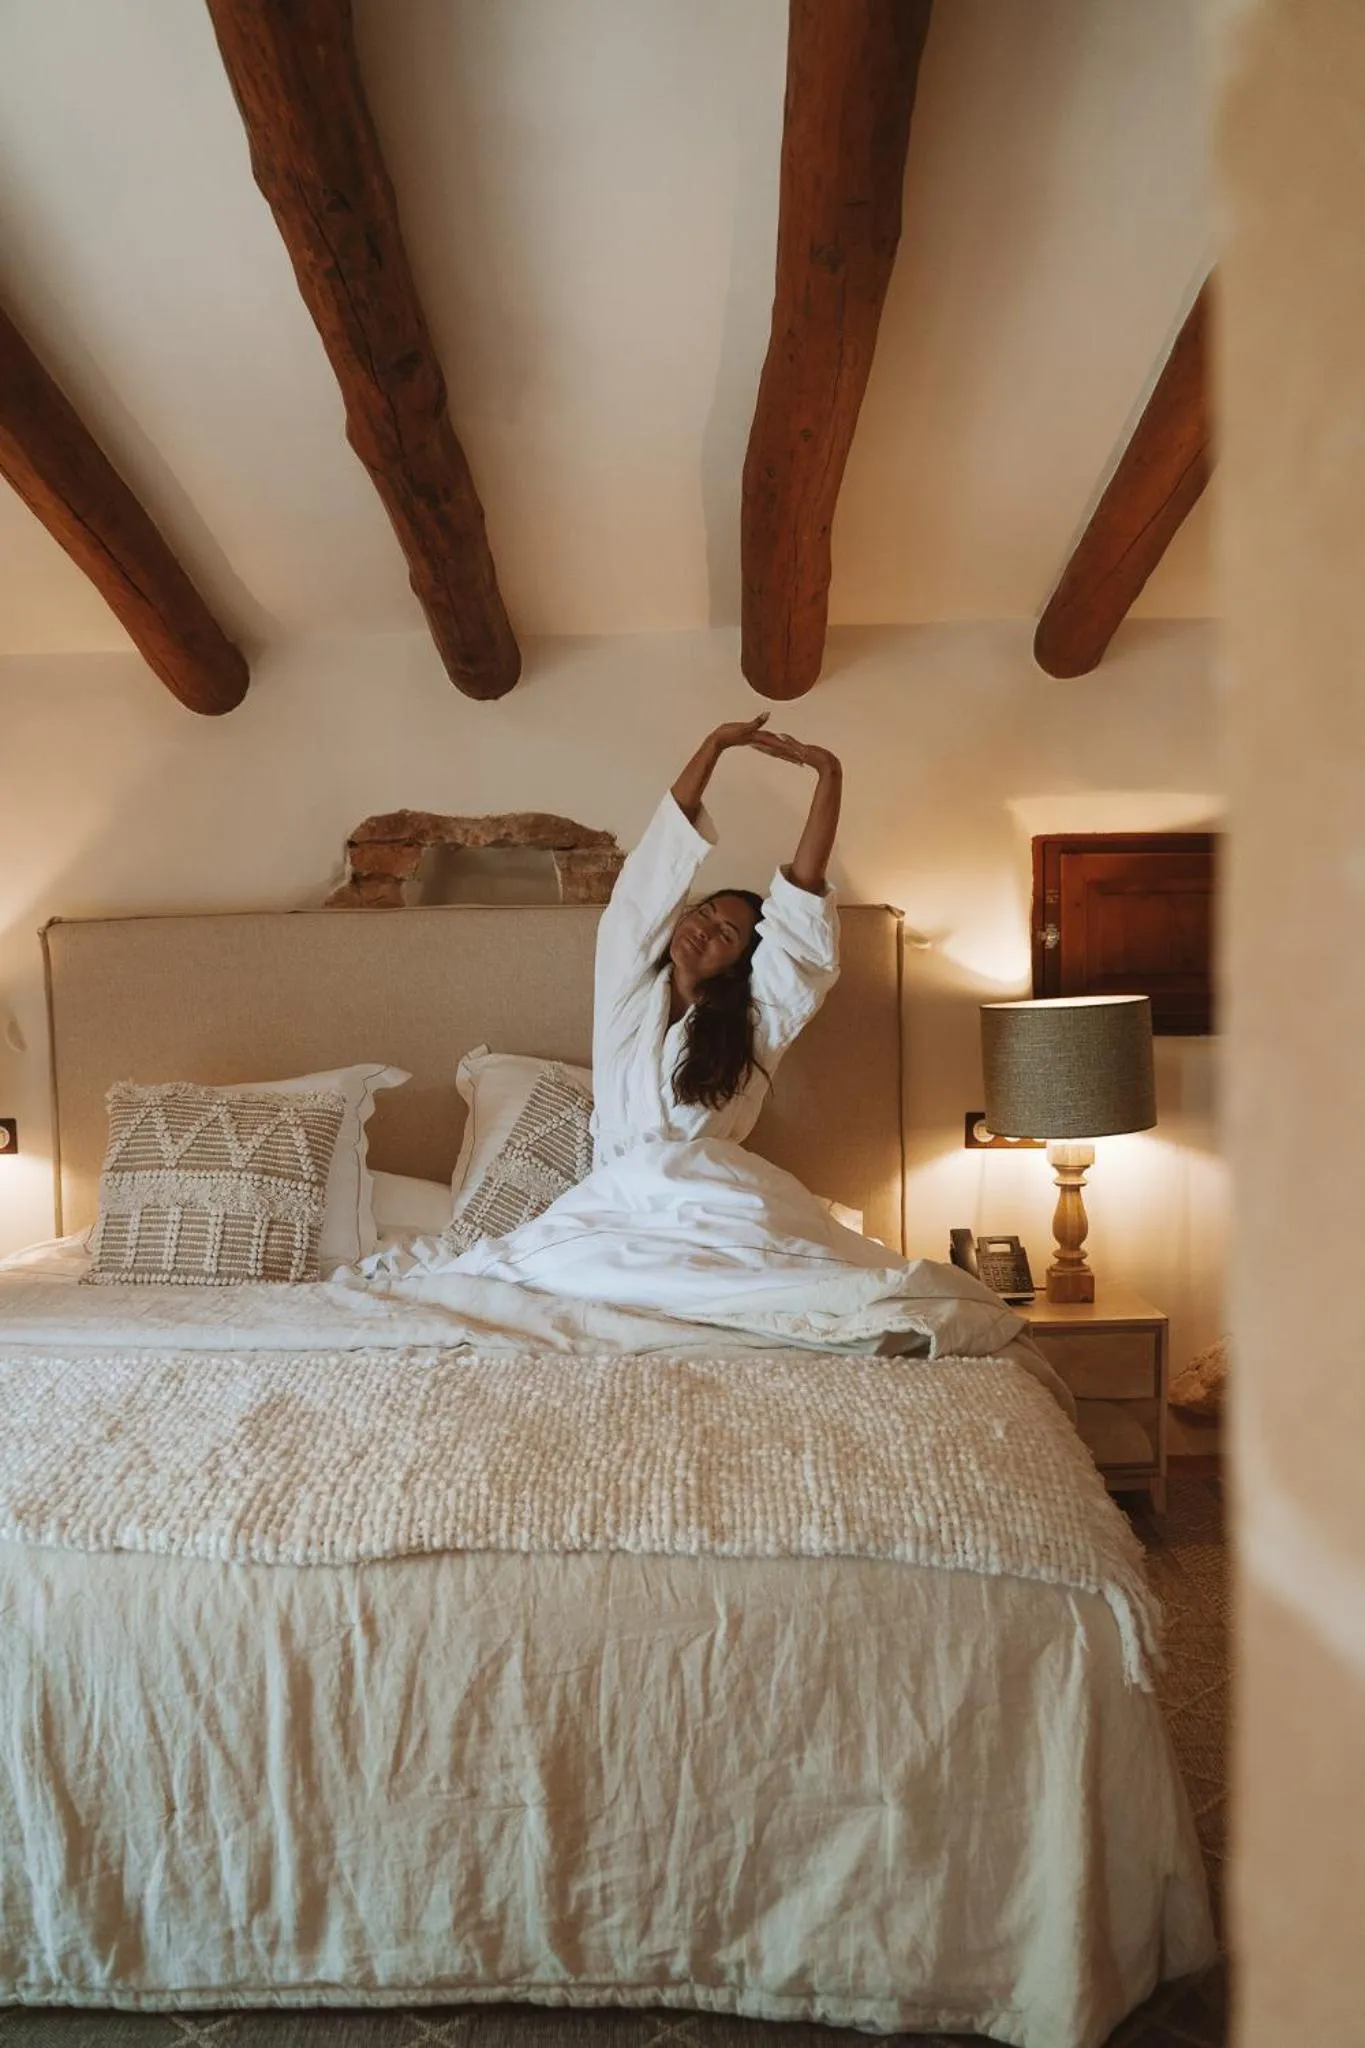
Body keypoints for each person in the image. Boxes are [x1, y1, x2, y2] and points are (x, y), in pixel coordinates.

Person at [590, 713, 843, 1165]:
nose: (703, 930)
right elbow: (646, 884)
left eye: (726, 933)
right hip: (611, 1193)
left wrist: (830, 775)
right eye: (704, 913)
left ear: (739, 964)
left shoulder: (753, 1024)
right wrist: (714, 745)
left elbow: (800, 919)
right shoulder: (624, 992)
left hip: (703, 1194)